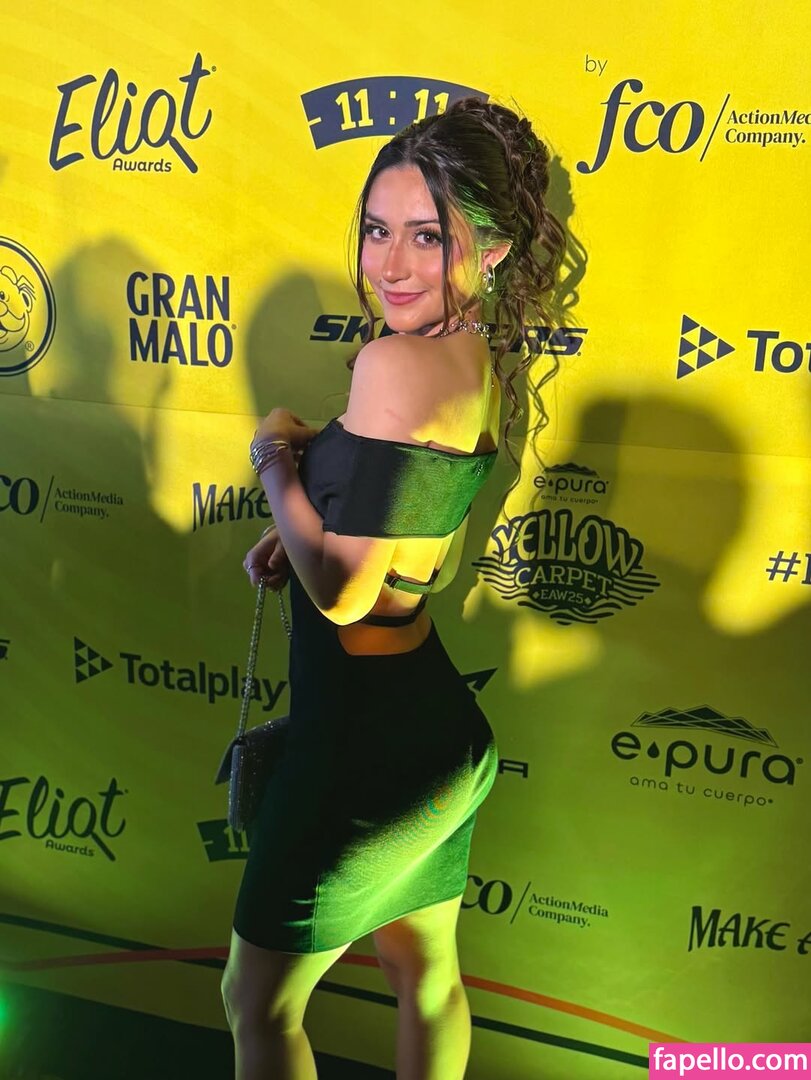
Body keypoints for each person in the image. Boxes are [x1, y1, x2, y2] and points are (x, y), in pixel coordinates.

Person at [222, 97, 566, 1080]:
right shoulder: (471, 356)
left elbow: (342, 592)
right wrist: (299, 520)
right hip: (434, 739)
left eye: (428, 235)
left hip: (361, 751)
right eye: (378, 230)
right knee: (426, 977)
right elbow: (408, 527)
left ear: (492, 249)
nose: (392, 264)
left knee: (255, 1002)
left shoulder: (393, 361)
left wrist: (273, 460)